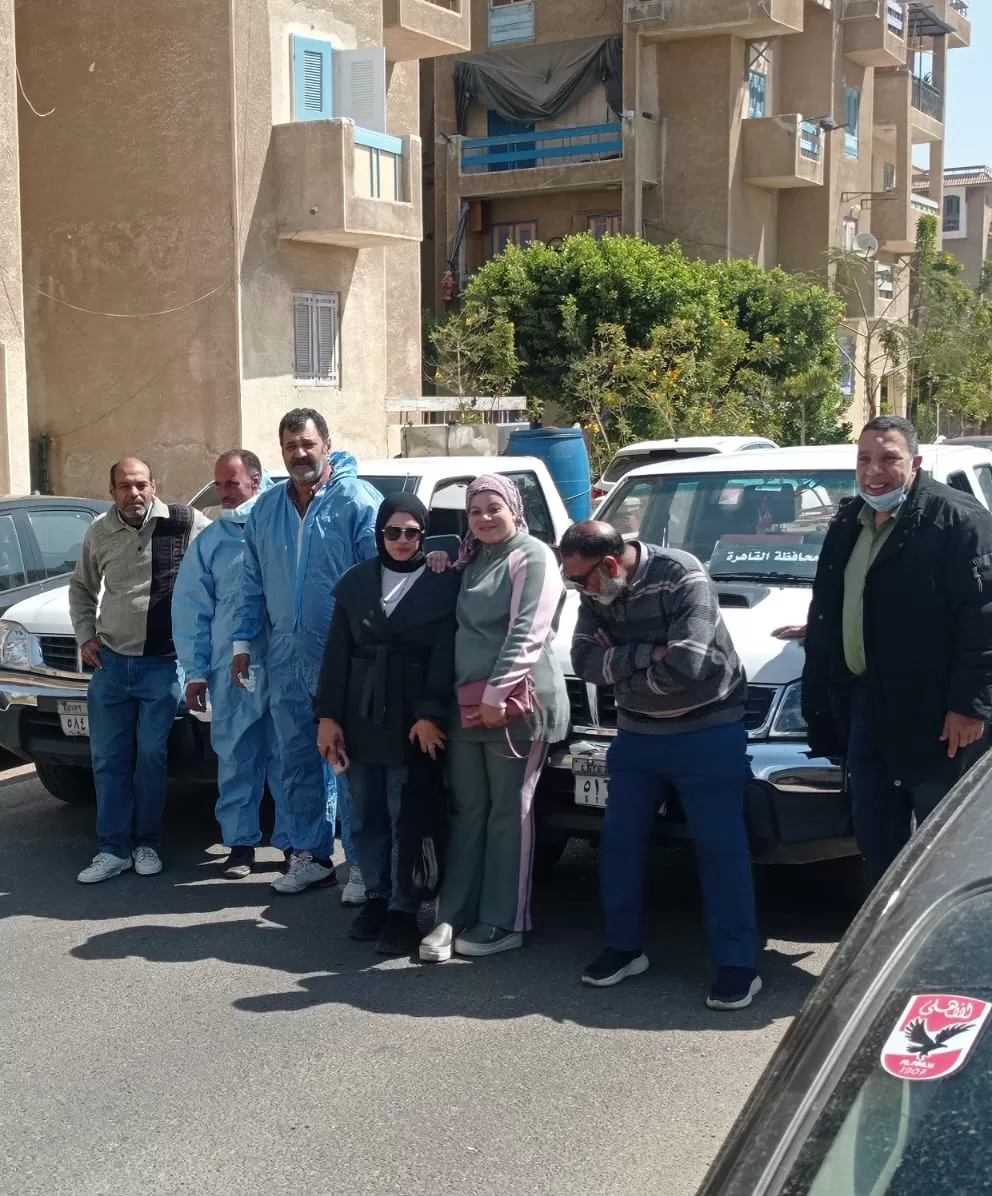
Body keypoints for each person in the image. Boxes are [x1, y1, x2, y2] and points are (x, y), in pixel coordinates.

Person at [560, 520, 763, 1011]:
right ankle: (624, 947)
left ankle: (738, 965)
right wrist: (647, 654)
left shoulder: (682, 574)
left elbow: (688, 665)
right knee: (619, 845)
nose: (579, 590)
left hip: (707, 733)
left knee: (721, 852)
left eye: (581, 580)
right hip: (636, 738)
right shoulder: (598, 590)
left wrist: (622, 669)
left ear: (611, 564)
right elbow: (584, 661)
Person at [802, 415, 992, 885]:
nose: (874, 471)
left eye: (889, 458)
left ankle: (945, 934)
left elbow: (984, 619)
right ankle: (882, 929)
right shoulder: (851, 519)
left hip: (936, 716)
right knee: (877, 840)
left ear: (916, 462)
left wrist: (969, 706)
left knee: (941, 850)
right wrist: (827, 629)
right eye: (864, 459)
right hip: (867, 707)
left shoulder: (958, 520)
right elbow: (851, 594)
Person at [231, 409, 383, 898]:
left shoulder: (357, 501)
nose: (299, 454)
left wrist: (373, 652)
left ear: (327, 445)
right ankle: (311, 855)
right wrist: (242, 641)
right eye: (290, 446)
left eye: (308, 444)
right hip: (285, 655)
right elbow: (251, 580)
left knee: (350, 761)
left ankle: (361, 864)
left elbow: (380, 581)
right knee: (295, 759)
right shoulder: (266, 509)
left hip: (345, 657)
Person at [422, 475, 567, 962]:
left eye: (493, 507)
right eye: (474, 510)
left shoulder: (533, 555)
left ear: (514, 508)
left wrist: (496, 694)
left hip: (515, 705)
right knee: (468, 811)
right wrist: (437, 561)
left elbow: (528, 630)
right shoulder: (472, 559)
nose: (484, 517)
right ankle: (452, 914)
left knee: (509, 813)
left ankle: (504, 920)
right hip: (466, 704)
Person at [314, 494, 460, 954]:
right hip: (361, 714)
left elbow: (445, 655)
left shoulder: (441, 581)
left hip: (413, 718)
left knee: (407, 816)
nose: (402, 540)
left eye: (412, 532)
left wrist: (430, 713)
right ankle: (377, 897)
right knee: (365, 814)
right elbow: (336, 655)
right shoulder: (356, 582)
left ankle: (404, 907)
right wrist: (327, 717)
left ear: (424, 534)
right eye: (392, 531)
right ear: (379, 533)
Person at [70, 458, 209, 884]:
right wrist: (85, 635)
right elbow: (82, 587)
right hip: (111, 665)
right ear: (111, 491)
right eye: (124, 486)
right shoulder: (99, 531)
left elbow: (222, 556)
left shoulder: (184, 523)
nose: (133, 493)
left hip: (162, 666)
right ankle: (113, 849)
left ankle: (147, 843)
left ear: (154, 485)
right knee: (109, 760)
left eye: (140, 485)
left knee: (151, 757)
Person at [172, 449, 280, 878]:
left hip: (284, 664)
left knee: (290, 758)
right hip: (230, 672)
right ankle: (240, 844)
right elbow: (192, 611)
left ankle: (299, 843)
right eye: (218, 484)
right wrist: (195, 671)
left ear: (255, 480)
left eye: (231, 483)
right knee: (236, 757)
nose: (223, 493)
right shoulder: (211, 543)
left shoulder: (283, 530)